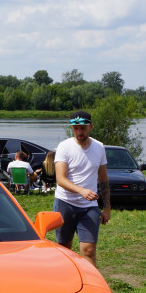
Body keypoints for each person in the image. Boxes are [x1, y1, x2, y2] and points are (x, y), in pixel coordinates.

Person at [53, 110, 110, 266]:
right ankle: (66, 282)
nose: (79, 132)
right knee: (65, 249)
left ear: (91, 126)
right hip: (65, 203)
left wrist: (107, 208)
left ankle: (91, 286)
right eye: (75, 128)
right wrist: (81, 190)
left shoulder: (99, 147)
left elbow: (103, 179)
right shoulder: (64, 147)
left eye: (83, 128)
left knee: (89, 251)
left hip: (89, 207)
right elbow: (60, 179)